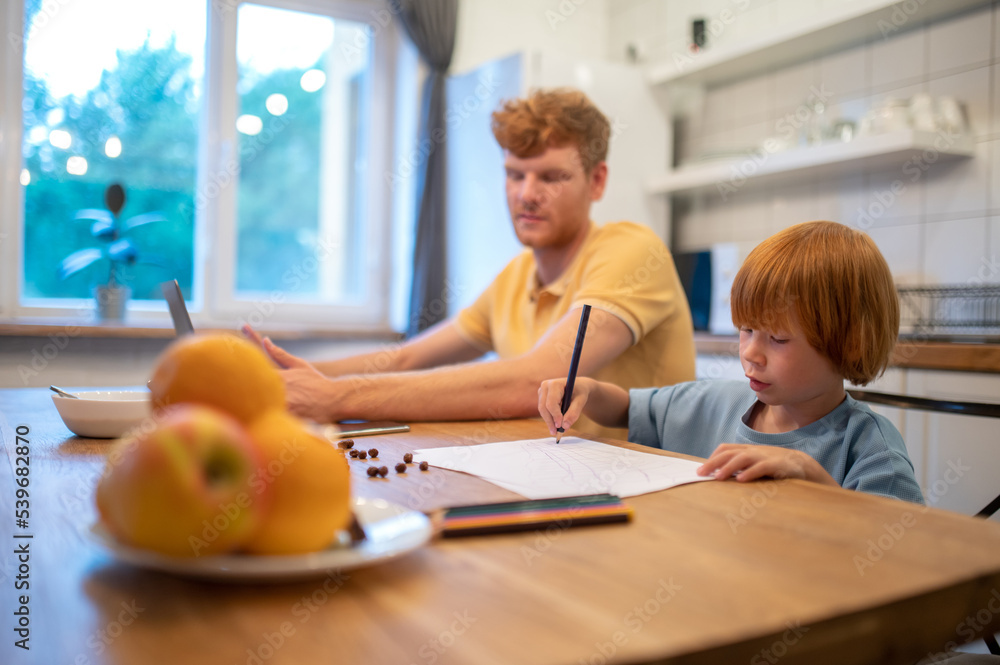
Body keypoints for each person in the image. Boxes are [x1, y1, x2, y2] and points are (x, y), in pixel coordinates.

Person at [244, 88, 695, 436]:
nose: (527, 194)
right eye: (514, 175)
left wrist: (337, 397)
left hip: (648, 495)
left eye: (552, 177)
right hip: (564, 482)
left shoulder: (632, 249)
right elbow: (406, 358)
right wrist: (269, 378)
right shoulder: (517, 275)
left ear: (596, 181)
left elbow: (535, 379)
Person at [538, 220, 924, 504]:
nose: (751, 353)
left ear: (851, 345)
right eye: (746, 330)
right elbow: (630, 409)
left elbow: (899, 549)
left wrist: (809, 473)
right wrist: (587, 390)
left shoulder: (870, 448)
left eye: (778, 339)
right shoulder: (714, 402)